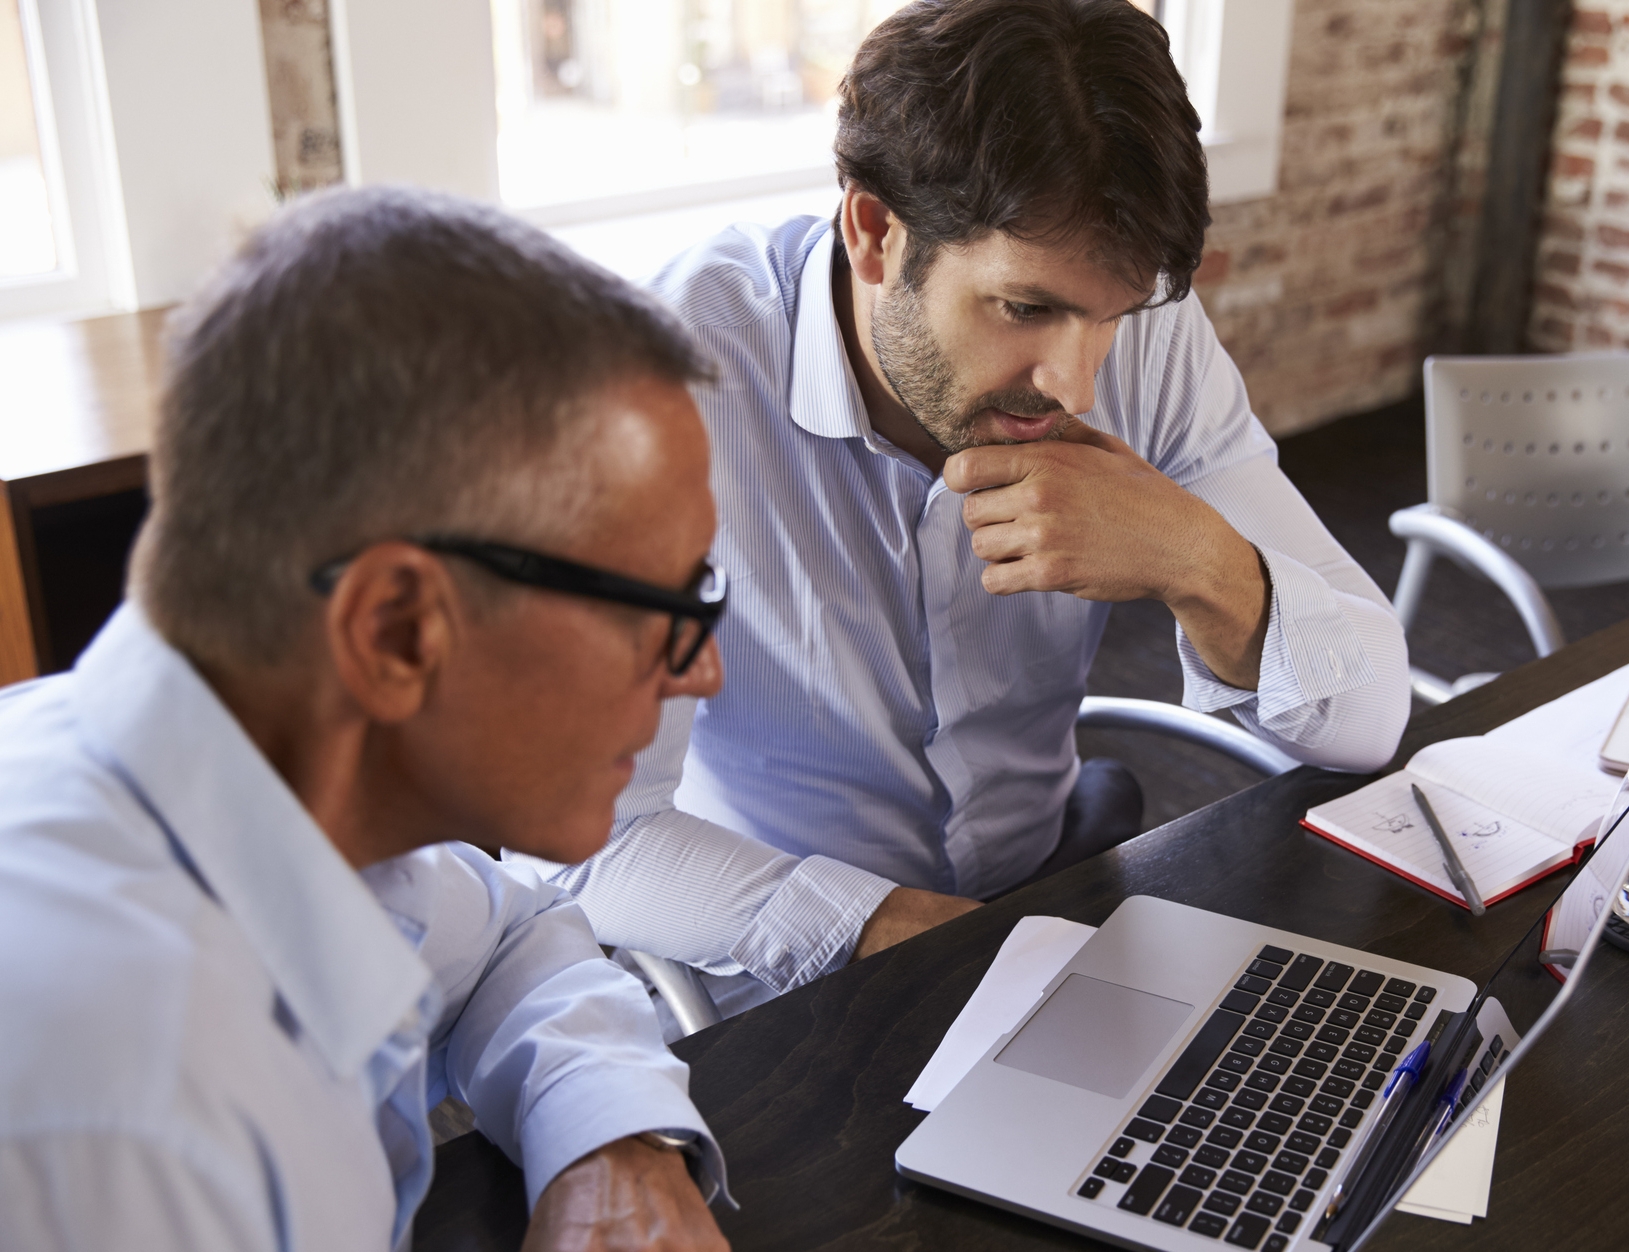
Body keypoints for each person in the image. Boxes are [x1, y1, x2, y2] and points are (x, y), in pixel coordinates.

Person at [0, 188, 737, 1252]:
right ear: (395, 629)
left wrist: (607, 1135)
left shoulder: (282, 793)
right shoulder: (122, 1148)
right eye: (663, 610)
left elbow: (507, 928)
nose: (702, 666)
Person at [532, 0, 1410, 1017]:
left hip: (1048, 909)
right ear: (873, 231)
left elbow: (1371, 713)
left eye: (1111, 317)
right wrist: (882, 929)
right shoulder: (655, 386)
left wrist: (1197, 558)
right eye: (1025, 308)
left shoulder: (1152, 339)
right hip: (780, 973)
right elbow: (577, 832)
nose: (1078, 384)